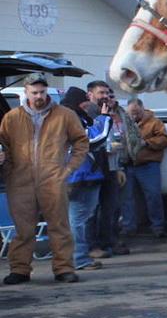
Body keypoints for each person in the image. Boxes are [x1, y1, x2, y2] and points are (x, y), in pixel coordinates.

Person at [0, 73, 88, 284]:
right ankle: (20, 269)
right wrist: (6, 163)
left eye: (42, 91)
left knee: (59, 226)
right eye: (34, 92)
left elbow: (81, 142)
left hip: (53, 178)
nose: (39, 96)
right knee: (23, 229)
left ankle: (64, 268)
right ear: (27, 92)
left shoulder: (64, 115)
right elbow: (3, 144)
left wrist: (68, 170)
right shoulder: (12, 118)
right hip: (20, 180)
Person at [63, 87, 113, 271]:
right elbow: (93, 140)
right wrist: (104, 118)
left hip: (85, 175)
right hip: (78, 176)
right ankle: (79, 259)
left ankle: (75, 257)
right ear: (78, 102)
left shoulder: (78, 116)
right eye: (85, 99)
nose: (88, 102)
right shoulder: (70, 118)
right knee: (78, 220)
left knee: (80, 218)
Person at [87, 81, 138, 257]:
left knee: (112, 208)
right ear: (90, 95)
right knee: (92, 209)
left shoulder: (114, 114)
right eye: (101, 93)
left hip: (112, 166)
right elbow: (93, 140)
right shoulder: (87, 114)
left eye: (107, 94)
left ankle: (109, 241)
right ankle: (92, 245)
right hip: (92, 168)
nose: (105, 97)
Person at [124, 98, 167, 238]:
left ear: (142, 109)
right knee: (127, 198)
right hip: (128, 165)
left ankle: (157, 227)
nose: (134, 115)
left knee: (153, 196)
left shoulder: (155, 123)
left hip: (148, 165)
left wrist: (147, 143)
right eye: (131, 113)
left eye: (137, 112)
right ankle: (128, 227)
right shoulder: (125, 123)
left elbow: (165, 140)